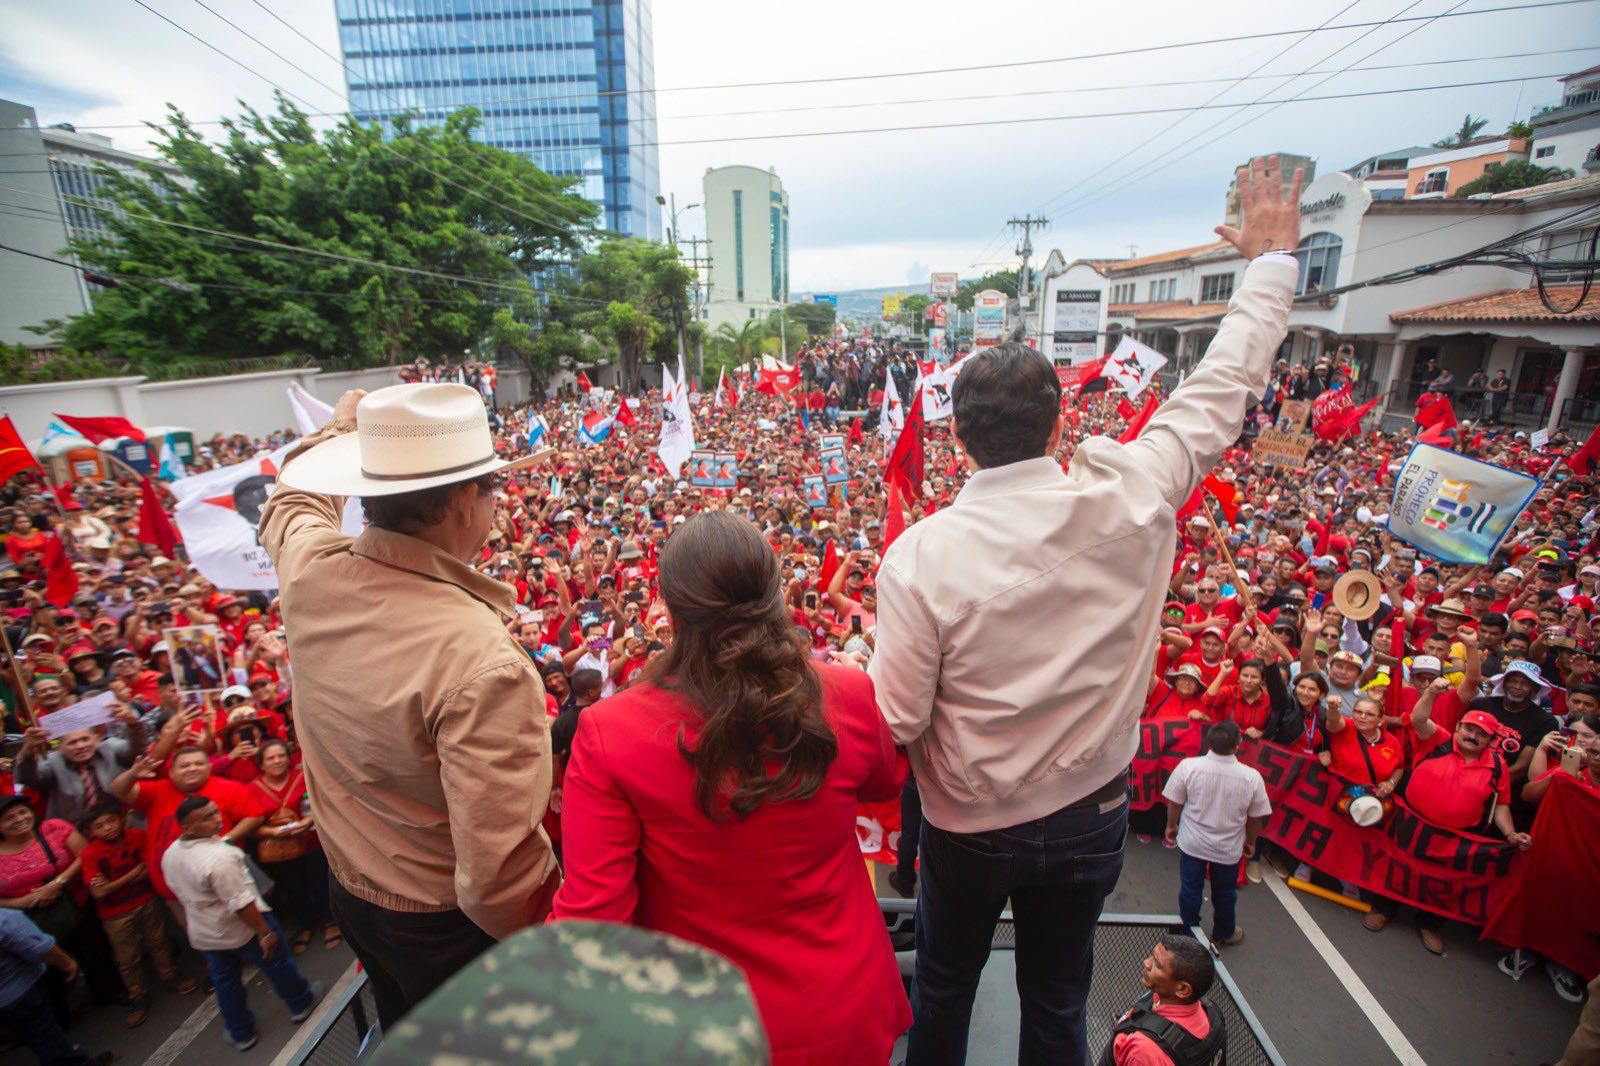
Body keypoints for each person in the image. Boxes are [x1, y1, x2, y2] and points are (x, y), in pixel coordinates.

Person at [869, 155, 1303, 1065]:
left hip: (965, 830)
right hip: (1088, 819)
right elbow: (1221, 393)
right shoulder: (1134, 495)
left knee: (944, 989)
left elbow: (898, 717)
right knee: (1058, 1000)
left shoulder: (919, 558)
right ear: (1061, 423)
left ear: (956, 439)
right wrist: (1269, 268)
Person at [553, 512, 911, 1064]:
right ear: (775, 598)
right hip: (840, 1009)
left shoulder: (611, 732)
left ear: (670, 611)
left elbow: (593, 923)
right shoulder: (845, 693)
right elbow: (886, 779)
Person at [260, 384, 559, 1030]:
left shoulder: (310, 573)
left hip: (355, 894)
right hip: (446, 933)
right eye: (490, 490)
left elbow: (289, 505)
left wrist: (344, 433)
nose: (495, 506)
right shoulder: (483, 662)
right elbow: (500, 883)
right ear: (461, 500)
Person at [161, 796, 324, 1051]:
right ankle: (301, 1002)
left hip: (205, 932)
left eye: (216, 813)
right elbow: (241, 903)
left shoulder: (172, 852)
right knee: (276, 962)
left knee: (225, 979)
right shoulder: (218, 858)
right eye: (206, 818)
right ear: (187, 828)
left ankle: (240, 1032)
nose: (216, 820)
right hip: (242, 928)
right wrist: (264, 932)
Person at [78, 802, 200, 1026]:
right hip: (115, 914)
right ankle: (137, 995)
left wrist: (114, 883)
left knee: (158, 941)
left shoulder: (137, 836)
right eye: (99, 826)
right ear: (90, 832)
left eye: (111, 820)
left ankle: (169, 975)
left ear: (122, 818)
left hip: (146, 900)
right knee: (127, 958)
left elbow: (149, 868)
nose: (107, 828)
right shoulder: (90, 854)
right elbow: (99, 891)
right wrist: (133, 873)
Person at [1162, 722, 1270, 948]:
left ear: (1208, 742)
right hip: (1228, 848)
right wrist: (1251, 842)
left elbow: (1175, 802)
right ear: (1238, 745)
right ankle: (1225, 931)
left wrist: (1171, 826)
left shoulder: (1188, 767)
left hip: (1193, 842)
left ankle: (1187, 931)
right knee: (1225, 891)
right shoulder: (1251, 777)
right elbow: (1255, 818)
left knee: (1190, 888)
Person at [247, 739, 339, 954]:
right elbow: (249, 824)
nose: (277, 760)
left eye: (281, 756)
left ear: (288, 759)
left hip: (310, 843)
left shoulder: (303, 778)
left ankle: (330, 922)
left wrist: (308, 822)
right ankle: (305, 926)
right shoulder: (252, 789)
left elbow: (322, 803)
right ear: (261, 764)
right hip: (277, 851)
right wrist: (273, 832)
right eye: (270, 758)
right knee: (294, 889)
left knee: (319, 882)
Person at [0, 908, 112, 1066]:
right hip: (23, 991)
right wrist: (67, 963)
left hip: (5, 1002)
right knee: (46, 1038)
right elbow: (39, 948)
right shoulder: (4, 919)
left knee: (38, 1039)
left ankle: (72, 1058)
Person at [1106, 933, 1223, 1066]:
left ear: (1183, 990)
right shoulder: (1212, 1014)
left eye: (1157, 963)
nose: (1146, 963)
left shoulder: (1145, 1052)